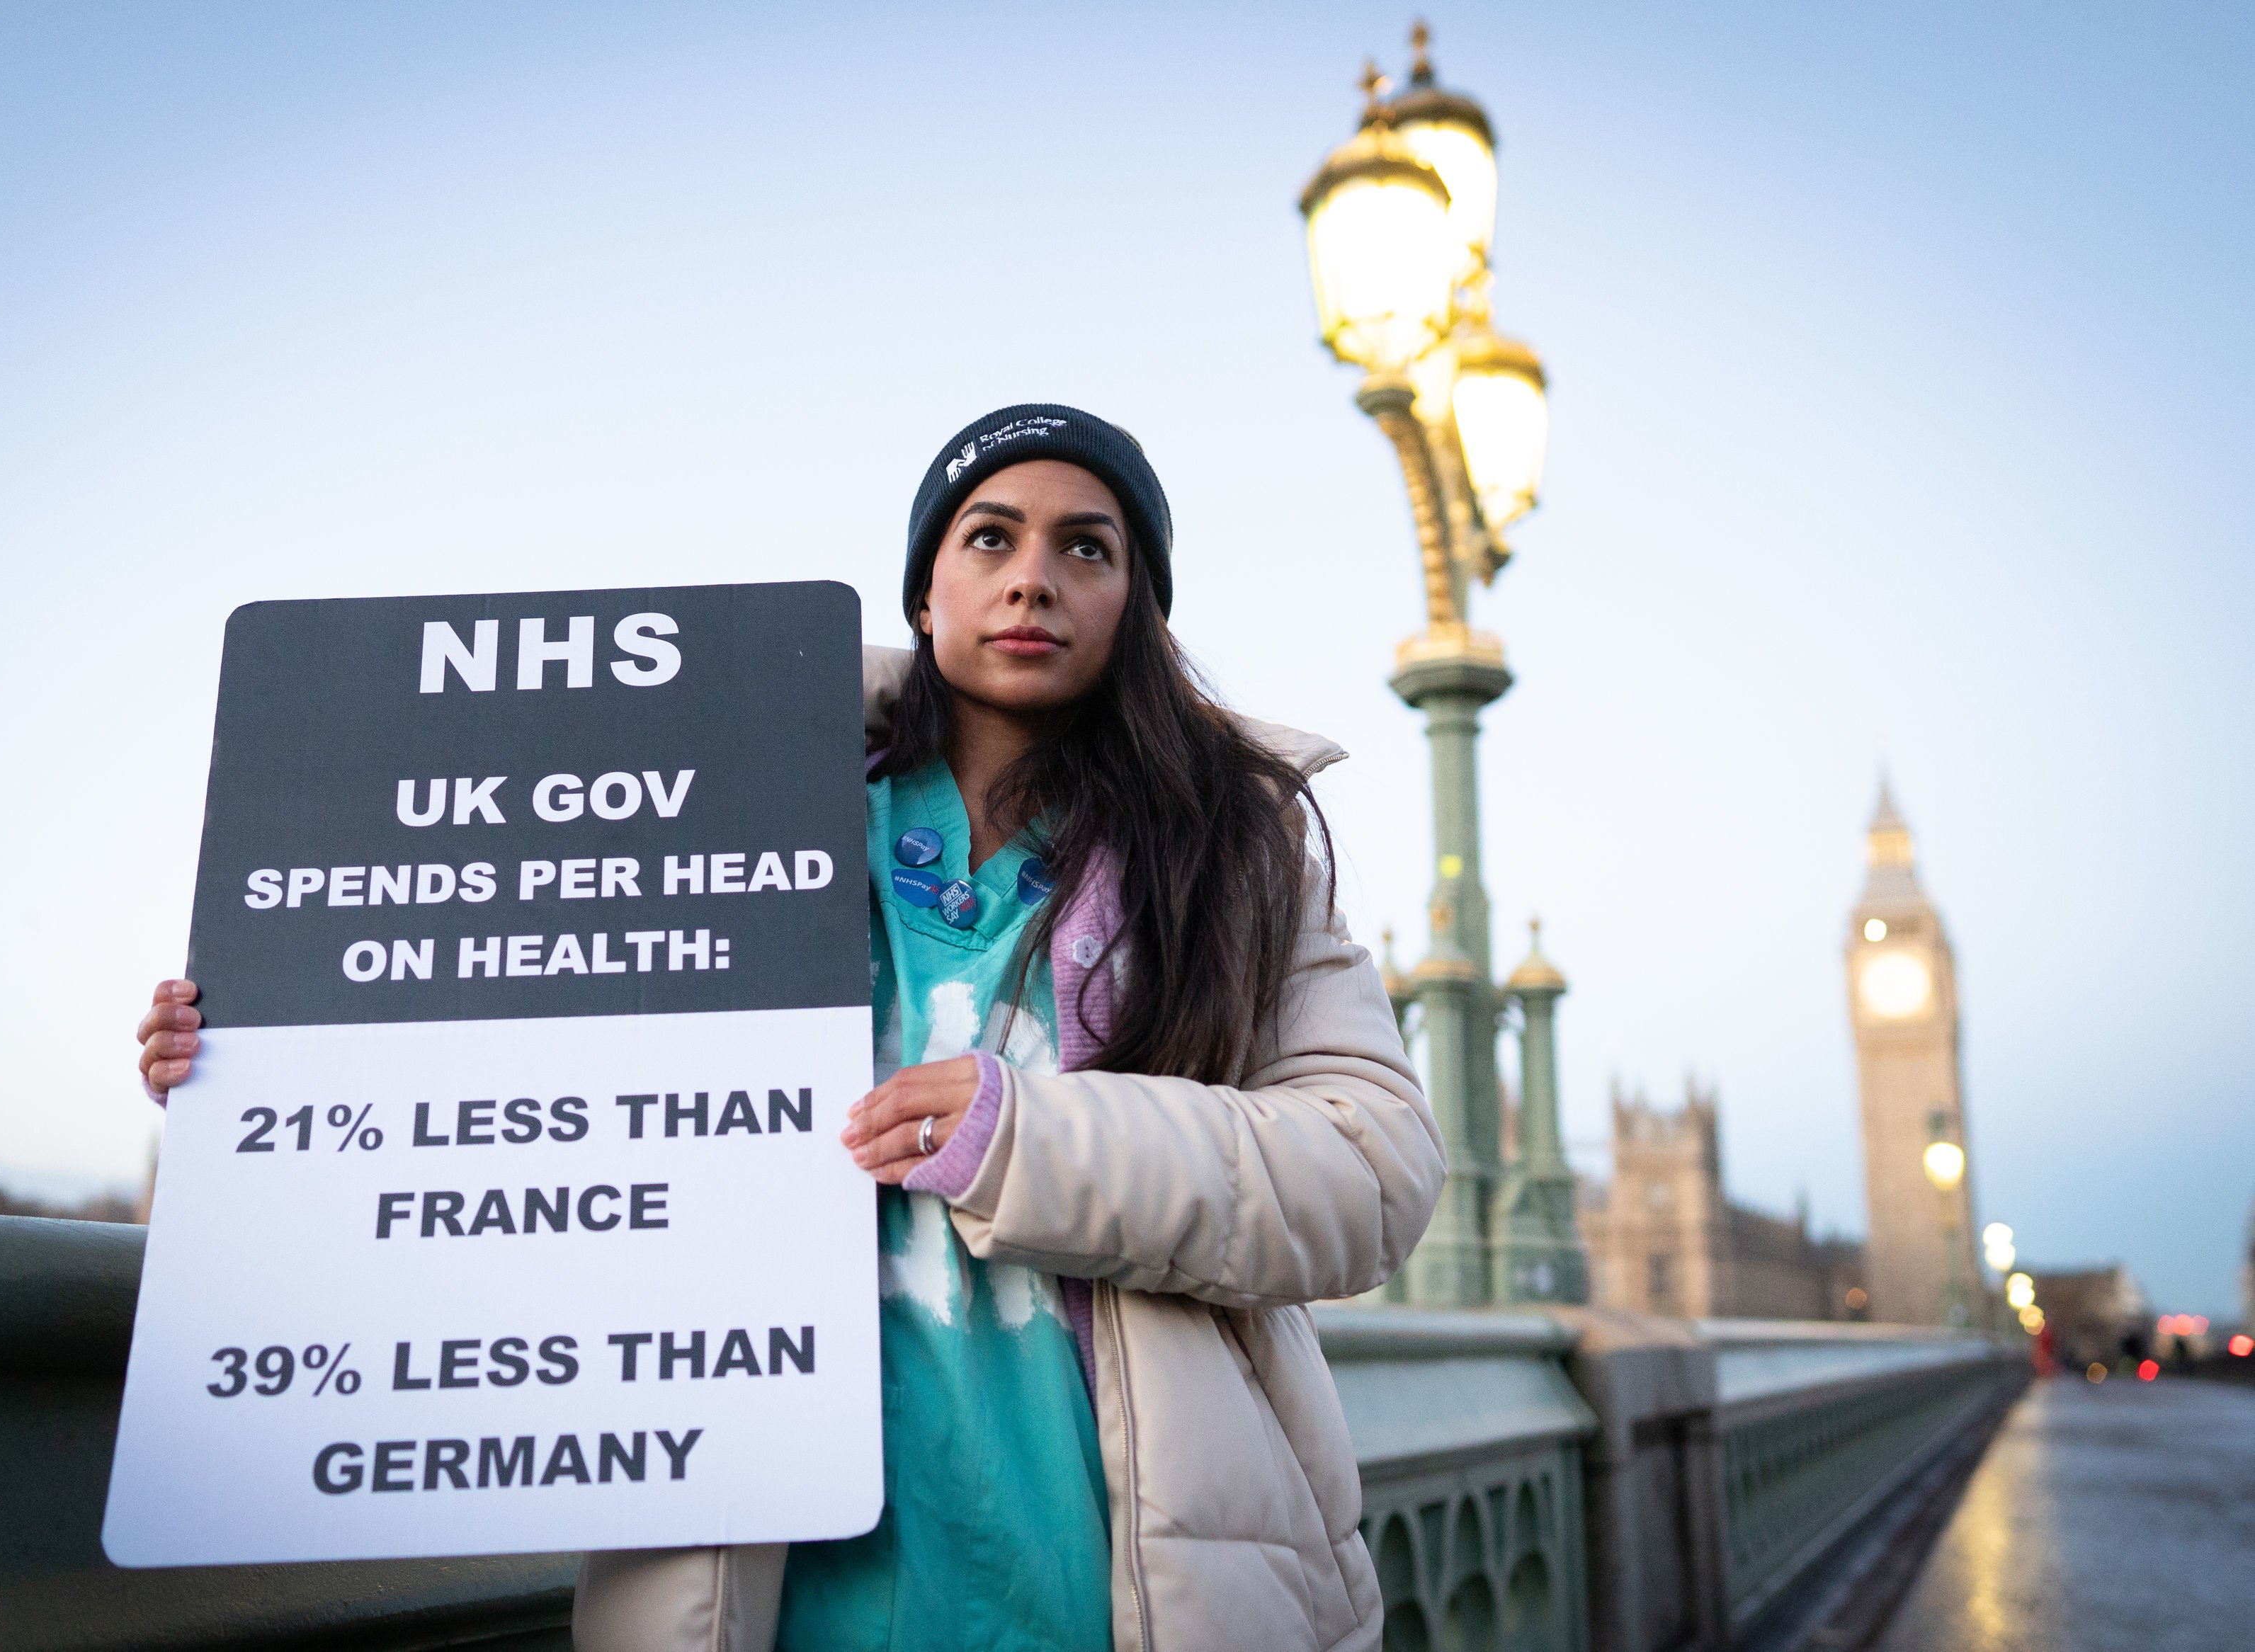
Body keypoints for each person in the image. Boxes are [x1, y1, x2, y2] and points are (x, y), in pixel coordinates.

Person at [136, 403, 1444, 1652]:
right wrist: (264, 1063)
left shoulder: (1238, 851)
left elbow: (1372, 1169)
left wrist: (1029, 1137)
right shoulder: (707, 808)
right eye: (989, 537)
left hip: (1132, 1585)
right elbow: (512, 1084)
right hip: (764, 1580)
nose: (1030, 578)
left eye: (1083, 547)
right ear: (924, 593)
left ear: (1139, 609)